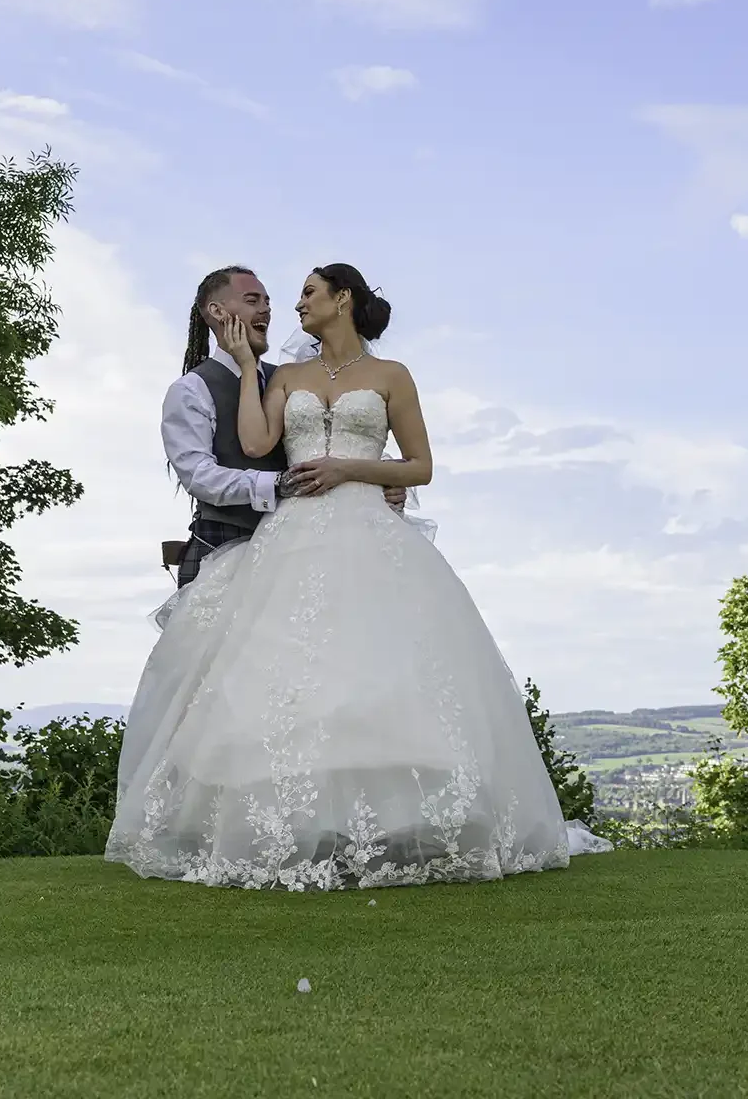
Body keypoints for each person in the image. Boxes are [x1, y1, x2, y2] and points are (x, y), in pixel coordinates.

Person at [107, 265, 601, 891]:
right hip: (290, 536)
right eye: (263, 299)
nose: (288, 306)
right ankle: (296, 830)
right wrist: (243, 367)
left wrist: (359, 472)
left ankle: (387, 829)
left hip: (368, 531)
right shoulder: (275, 378)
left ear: (343, 299)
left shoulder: (391, 377)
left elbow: (418, 466)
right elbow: (256, 448)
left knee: (379, 669)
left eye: (304, 294)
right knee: (290, 679)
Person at [160, 266, 406, 590]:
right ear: (217, 311)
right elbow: (199, 476)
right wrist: (277, 484)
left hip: (303, 549)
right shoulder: (192, 390)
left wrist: (382, 482)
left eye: (267, 301)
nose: (266, 310)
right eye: (252, 300)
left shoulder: (292, 379)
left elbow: (332, 441)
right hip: (220, 550)